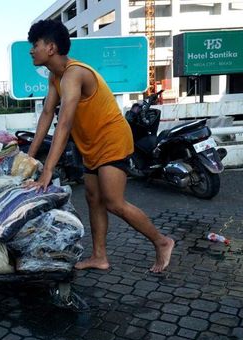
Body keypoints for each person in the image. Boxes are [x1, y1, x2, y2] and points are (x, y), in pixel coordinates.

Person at [24, 19, 174, 273]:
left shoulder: (74, 73)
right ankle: (99, 257)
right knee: (93, 198)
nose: (31, 50)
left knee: (114, 202)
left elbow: (64, 123)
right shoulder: (55, 75)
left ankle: (162, 241)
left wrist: (47, 170)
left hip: (112, 139)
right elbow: (47, 114)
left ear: (50, 48)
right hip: (91, 144)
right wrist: (29, 158)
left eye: (35, 44)